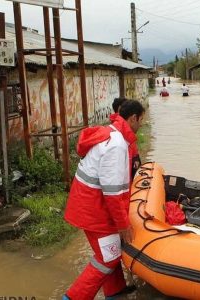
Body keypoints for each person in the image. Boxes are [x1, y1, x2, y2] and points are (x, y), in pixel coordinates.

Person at [63, 100, 146, 300]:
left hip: (90, 204)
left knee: (111, 251)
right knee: (107, 258)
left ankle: (115, 292)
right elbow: (113, 192)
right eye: (141, 120)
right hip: (93, 209)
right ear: (133, 118)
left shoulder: (112, 133)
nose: (141, 124)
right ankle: (73, 297)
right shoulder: (117, 145)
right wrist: (123, 224)